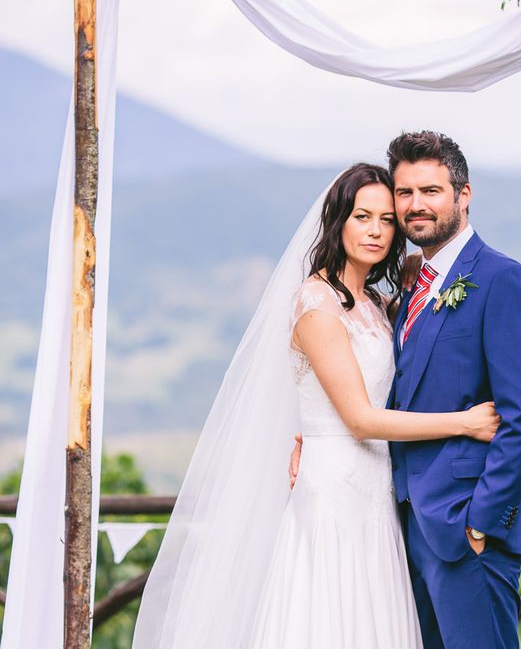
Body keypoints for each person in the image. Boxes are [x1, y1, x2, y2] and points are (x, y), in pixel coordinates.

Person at [132, 162, 499, 648]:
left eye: (387, 220)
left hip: (375, 492)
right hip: (333, 493)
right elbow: (360, 418)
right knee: (329, 618)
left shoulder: (373, 302)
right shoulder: (315, 304)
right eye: (361, 216)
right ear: (338, 221)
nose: (375, 230)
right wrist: (465, 423)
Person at [291, 132, 521, 649]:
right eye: (404, 195)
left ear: (464, 194)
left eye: (430, 191)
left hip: (465, 530)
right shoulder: (407, 289)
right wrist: (311, 436)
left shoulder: (504, 280)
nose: (414, 206)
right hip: (398, 523)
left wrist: (482, 522)